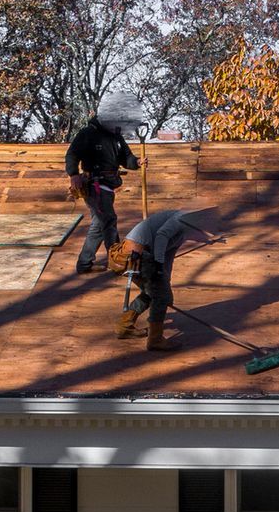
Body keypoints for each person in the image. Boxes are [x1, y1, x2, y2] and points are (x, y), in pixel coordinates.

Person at [64, 101, 142, 272]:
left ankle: (85, 263)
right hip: (94, 185)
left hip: (109, 185)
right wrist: (73, 174)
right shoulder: (88, 134)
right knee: (108, 220)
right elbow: (72, 154)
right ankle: (117, 262)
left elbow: (126, 158)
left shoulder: (116, 136)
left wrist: (137, 162)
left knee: (99, 224)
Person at [116, 209, 195, 351]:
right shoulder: (181, 218)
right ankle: (155, 340)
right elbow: (161, 235)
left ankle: (125, 325)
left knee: (153, 292)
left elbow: (168, 257)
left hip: (141, 255)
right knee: (160, 296)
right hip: (134, 255)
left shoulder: (183, 232)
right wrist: (163, 291)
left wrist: (165, 282)